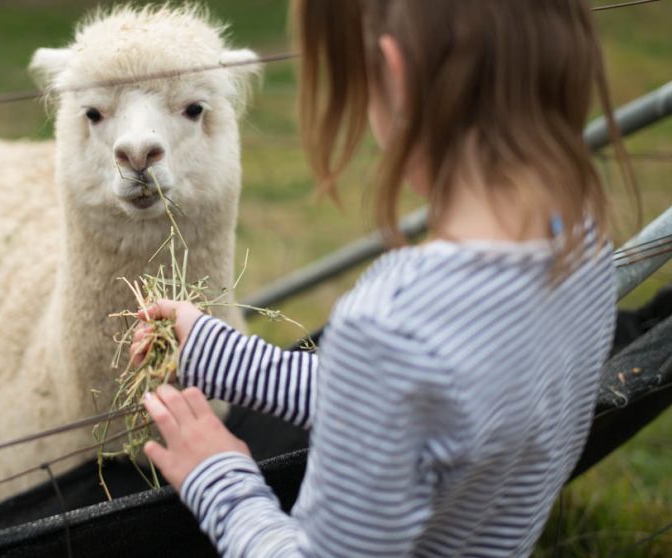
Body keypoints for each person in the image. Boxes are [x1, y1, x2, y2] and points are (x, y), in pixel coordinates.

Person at [132, 0, 635, 555]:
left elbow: (395, 387)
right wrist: (220, 354)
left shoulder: (391, 326)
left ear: (396, 79)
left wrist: (220, 477)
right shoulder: (579, 241)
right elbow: (410, 411)